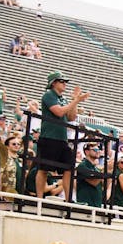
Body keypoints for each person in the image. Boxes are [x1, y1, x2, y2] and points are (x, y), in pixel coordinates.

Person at [37, 72, 89, 202]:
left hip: (61, 138)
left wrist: (74, 100)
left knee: (69, 168)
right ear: (53, 83)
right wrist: (76, 100)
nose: (64, 83)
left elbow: (71, 117)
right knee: (44, 168)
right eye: (62, 81)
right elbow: (59, 112)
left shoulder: (63, 99)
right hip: (49, 136)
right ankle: (38, 198)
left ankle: (68, 198)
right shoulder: (49, 95)